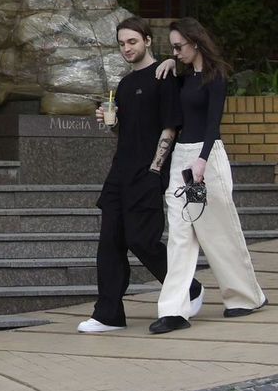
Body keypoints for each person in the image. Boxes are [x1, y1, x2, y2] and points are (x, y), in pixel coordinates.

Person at [78, 17, 203, 333]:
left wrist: (155, 169)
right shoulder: (124, 84)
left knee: (141, 240)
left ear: (147, 40)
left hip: (148, 172)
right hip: (120, 171)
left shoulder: (163, 76)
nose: (126, 48)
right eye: (121, 43)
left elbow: (170, 126)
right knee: (109, 243)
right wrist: (110, 123)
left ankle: (188, 288)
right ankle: (108, 314)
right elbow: (123, 131)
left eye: (132, 41)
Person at [148, 18, 267, 334]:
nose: (175, 52)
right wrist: (170, 64)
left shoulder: (216, 77)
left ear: (195, 42)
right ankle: (174, 310)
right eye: (172, 47)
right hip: (181, 160)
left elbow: (214, 123)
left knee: (220, 231)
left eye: (178, 46)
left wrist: (201, 161)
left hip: (207, 157)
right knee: (179, 235)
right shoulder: (183, 78)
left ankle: (246, 296)